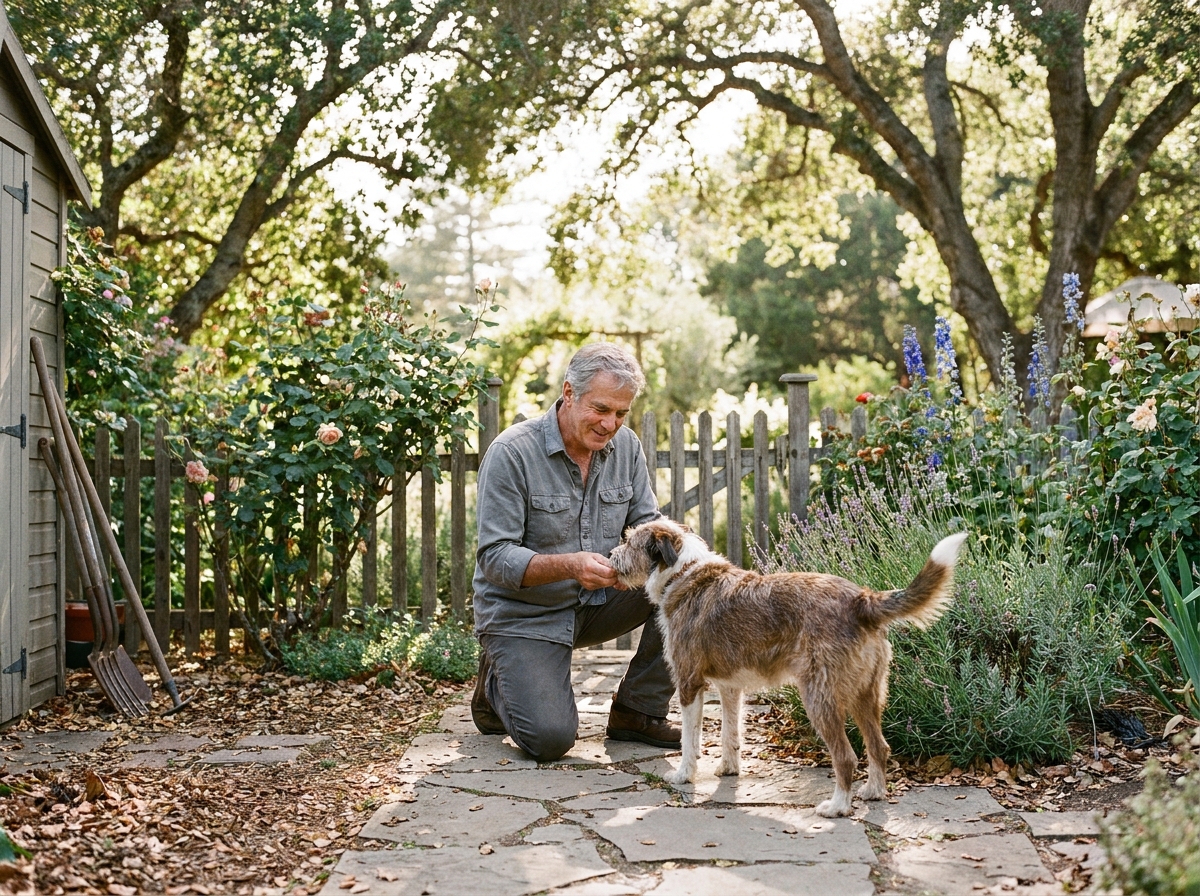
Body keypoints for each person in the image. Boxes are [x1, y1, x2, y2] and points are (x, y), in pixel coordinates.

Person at [471, 342, 680, 761]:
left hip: (599, 601)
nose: (610, 424)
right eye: (601, 409)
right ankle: (496, 681)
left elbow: (647, 525)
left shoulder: (627, 449)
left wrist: (680, 556)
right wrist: (571, 565)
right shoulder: (512, 453)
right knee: (550, 740)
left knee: (684, 587)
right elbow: (494, 557)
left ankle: (637, 710)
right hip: (525, 613)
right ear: (569, 393)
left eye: (621, 413)